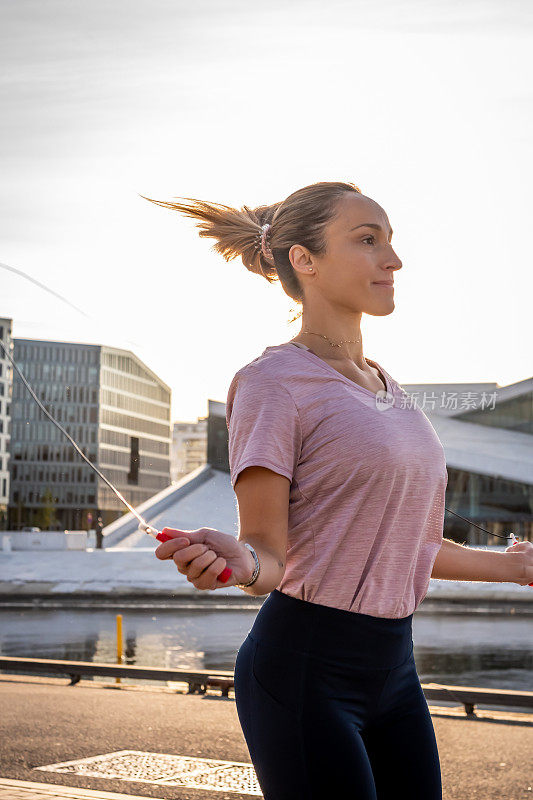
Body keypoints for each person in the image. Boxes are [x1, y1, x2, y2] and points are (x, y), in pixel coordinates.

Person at [149, 181, 533, 800]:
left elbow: (411, 546)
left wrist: (517, 567)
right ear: (305, 260)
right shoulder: (272, 383)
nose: (393, 260)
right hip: (304, 670)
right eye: (367, 240)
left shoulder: (388, 386)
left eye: (390, 241)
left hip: (397, 669)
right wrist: (234, 562)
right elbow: (268, 557)